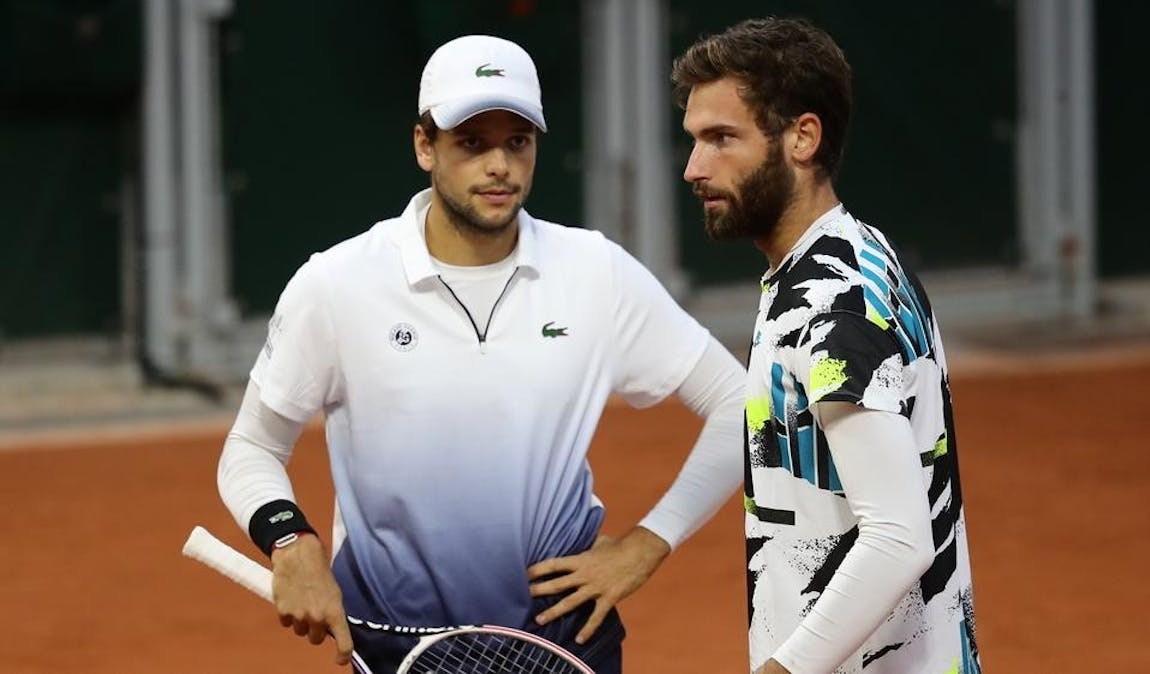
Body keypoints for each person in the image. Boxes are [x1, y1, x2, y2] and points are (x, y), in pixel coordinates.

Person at [215, 34, 744, 674]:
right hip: (398, 645)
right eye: (471, 143)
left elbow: (740, 404)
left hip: (563, 644)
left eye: (517, 142)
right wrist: (290, 542)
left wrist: (649, 543)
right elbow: (251, 447)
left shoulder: (594, 272)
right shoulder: (336, 284)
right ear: (424, 146)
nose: (499, 165)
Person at [671, 17, 983, 674]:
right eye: (694, 140)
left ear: (802, 138)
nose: (694, 168)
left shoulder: (831, 302)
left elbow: (898, 537)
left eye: (721, 138)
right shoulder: (852, 255)